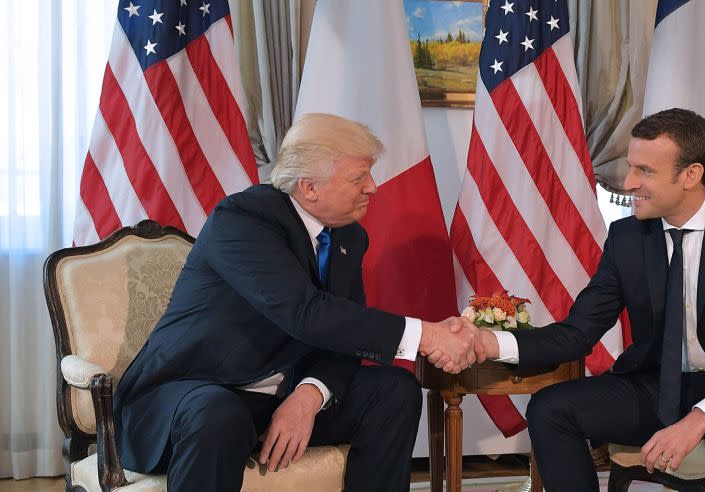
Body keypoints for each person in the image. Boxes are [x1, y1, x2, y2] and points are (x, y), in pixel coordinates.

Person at [114, 113, 482, 491]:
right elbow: (305, 313)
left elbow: (345, 335)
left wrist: (310, 395)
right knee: (218, 413)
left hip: (274, 395)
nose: (373, 187)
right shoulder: (242, 220)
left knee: (393, 392)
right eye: (358, 178)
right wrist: (425, 336)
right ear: (308, 188)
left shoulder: (348, 238)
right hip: (191, 390)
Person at [470, 108, 705, 491]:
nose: (628, 182)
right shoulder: (627, 239)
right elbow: (577, 332)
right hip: (661, 385)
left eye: (645, 171)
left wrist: (698, 418)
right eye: (630, 167)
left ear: (691, 175)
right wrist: (489, 343)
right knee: (550, 409)